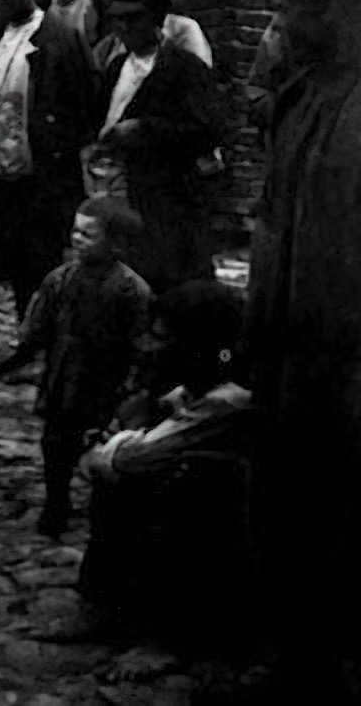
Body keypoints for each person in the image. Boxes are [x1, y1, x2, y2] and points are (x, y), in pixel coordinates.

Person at [242, 0, 361, 701]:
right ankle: (299, 662)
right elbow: (273, 226)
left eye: (297, 10)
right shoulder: (300, 98)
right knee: (293, 510)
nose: (282, 27)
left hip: (351, 362)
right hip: (291, 354)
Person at [65, 280, 261, 667]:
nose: (149, 347)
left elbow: (121, 460)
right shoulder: (186, 393)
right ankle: (109, 609)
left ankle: (169, 635)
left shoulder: (229, 402)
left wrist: (118, 442)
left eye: (162, 338)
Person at [0, 198, 153, 535]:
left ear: (116, 244)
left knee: (100, 445)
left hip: (104, 382)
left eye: (89, 234)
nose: (78, 240)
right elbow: (36, 326)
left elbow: (140, 343)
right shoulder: (60, 279)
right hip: (62, 377)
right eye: (76, 231)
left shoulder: (130, 289)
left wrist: (133, 384)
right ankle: (57, 503)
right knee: (55, 445)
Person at [0, 0, 100, 315]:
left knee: (43, 258)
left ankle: (49, 345)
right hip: (1, 170)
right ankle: (27, 337)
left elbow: (83, 102)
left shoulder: (57, 36)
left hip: (43, 174)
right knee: (16, 260)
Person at [91, 0, 224, 291]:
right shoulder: (116, 68)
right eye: (116, 20)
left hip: (170, 194)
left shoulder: (184, 68)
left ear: (156, 20)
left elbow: (208, 129)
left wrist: (145, 129)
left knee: (174, 276)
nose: (123, 28)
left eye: (133, 19)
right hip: (123, 188)